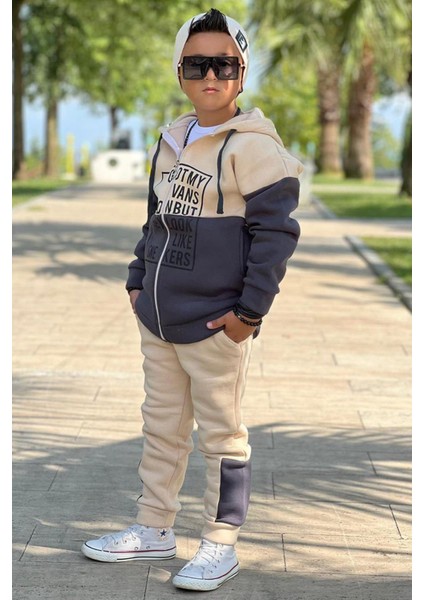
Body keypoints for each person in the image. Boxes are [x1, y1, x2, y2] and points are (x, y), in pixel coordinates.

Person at [81, 7, 303, 592]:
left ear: (242, 72)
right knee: (161, 429)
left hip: (215, 325)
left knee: (223, 437)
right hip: (158, 319)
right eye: (197, 64)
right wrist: (137, 281)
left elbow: (276, 236)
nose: (211, 75)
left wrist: (247, 314)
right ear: (179, 71)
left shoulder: (256, 148)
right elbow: (156, 219)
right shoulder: (172, 138)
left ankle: (220, 543)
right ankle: (154, 526)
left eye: (224, 65)